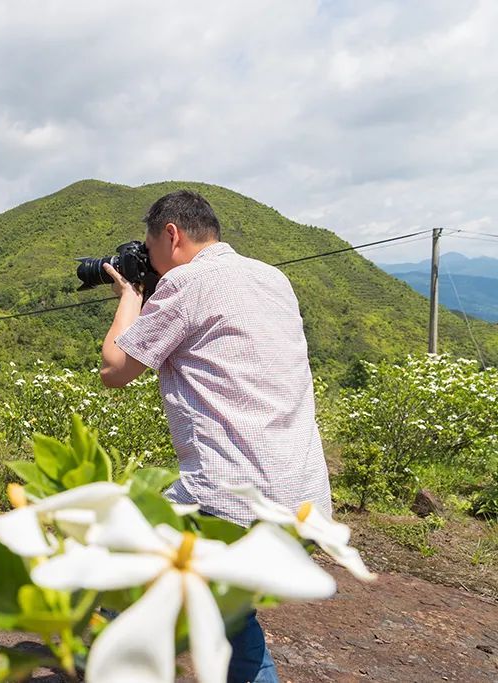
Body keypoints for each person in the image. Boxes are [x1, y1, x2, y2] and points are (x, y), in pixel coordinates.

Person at [99, 190, 331, 683]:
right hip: (304, 499)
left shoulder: (186, 283)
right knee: (230, 616)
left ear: (171, 235)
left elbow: (115, 369)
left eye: (150, 246)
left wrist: (130, 294)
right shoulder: (273, 277)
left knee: (125, 582)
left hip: (230, 501)